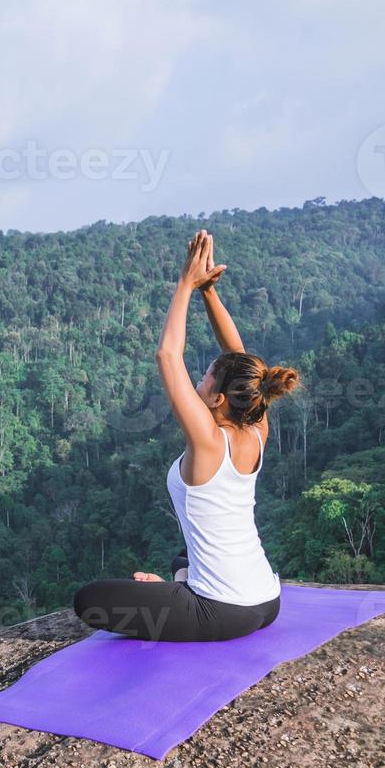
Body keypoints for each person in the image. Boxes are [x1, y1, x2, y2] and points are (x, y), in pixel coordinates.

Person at [73, 230, 301, 642]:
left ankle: (173, 592)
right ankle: (174, 587)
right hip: (268, 601)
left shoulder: (208, 441)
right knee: (183, 557)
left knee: (88, 600)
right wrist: (209, 294)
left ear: (216, 398)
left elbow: (167, 356)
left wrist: (185, 284)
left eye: (203, 378)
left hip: (221, 612)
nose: (196, 381)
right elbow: (244, 362)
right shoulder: (256, 428)